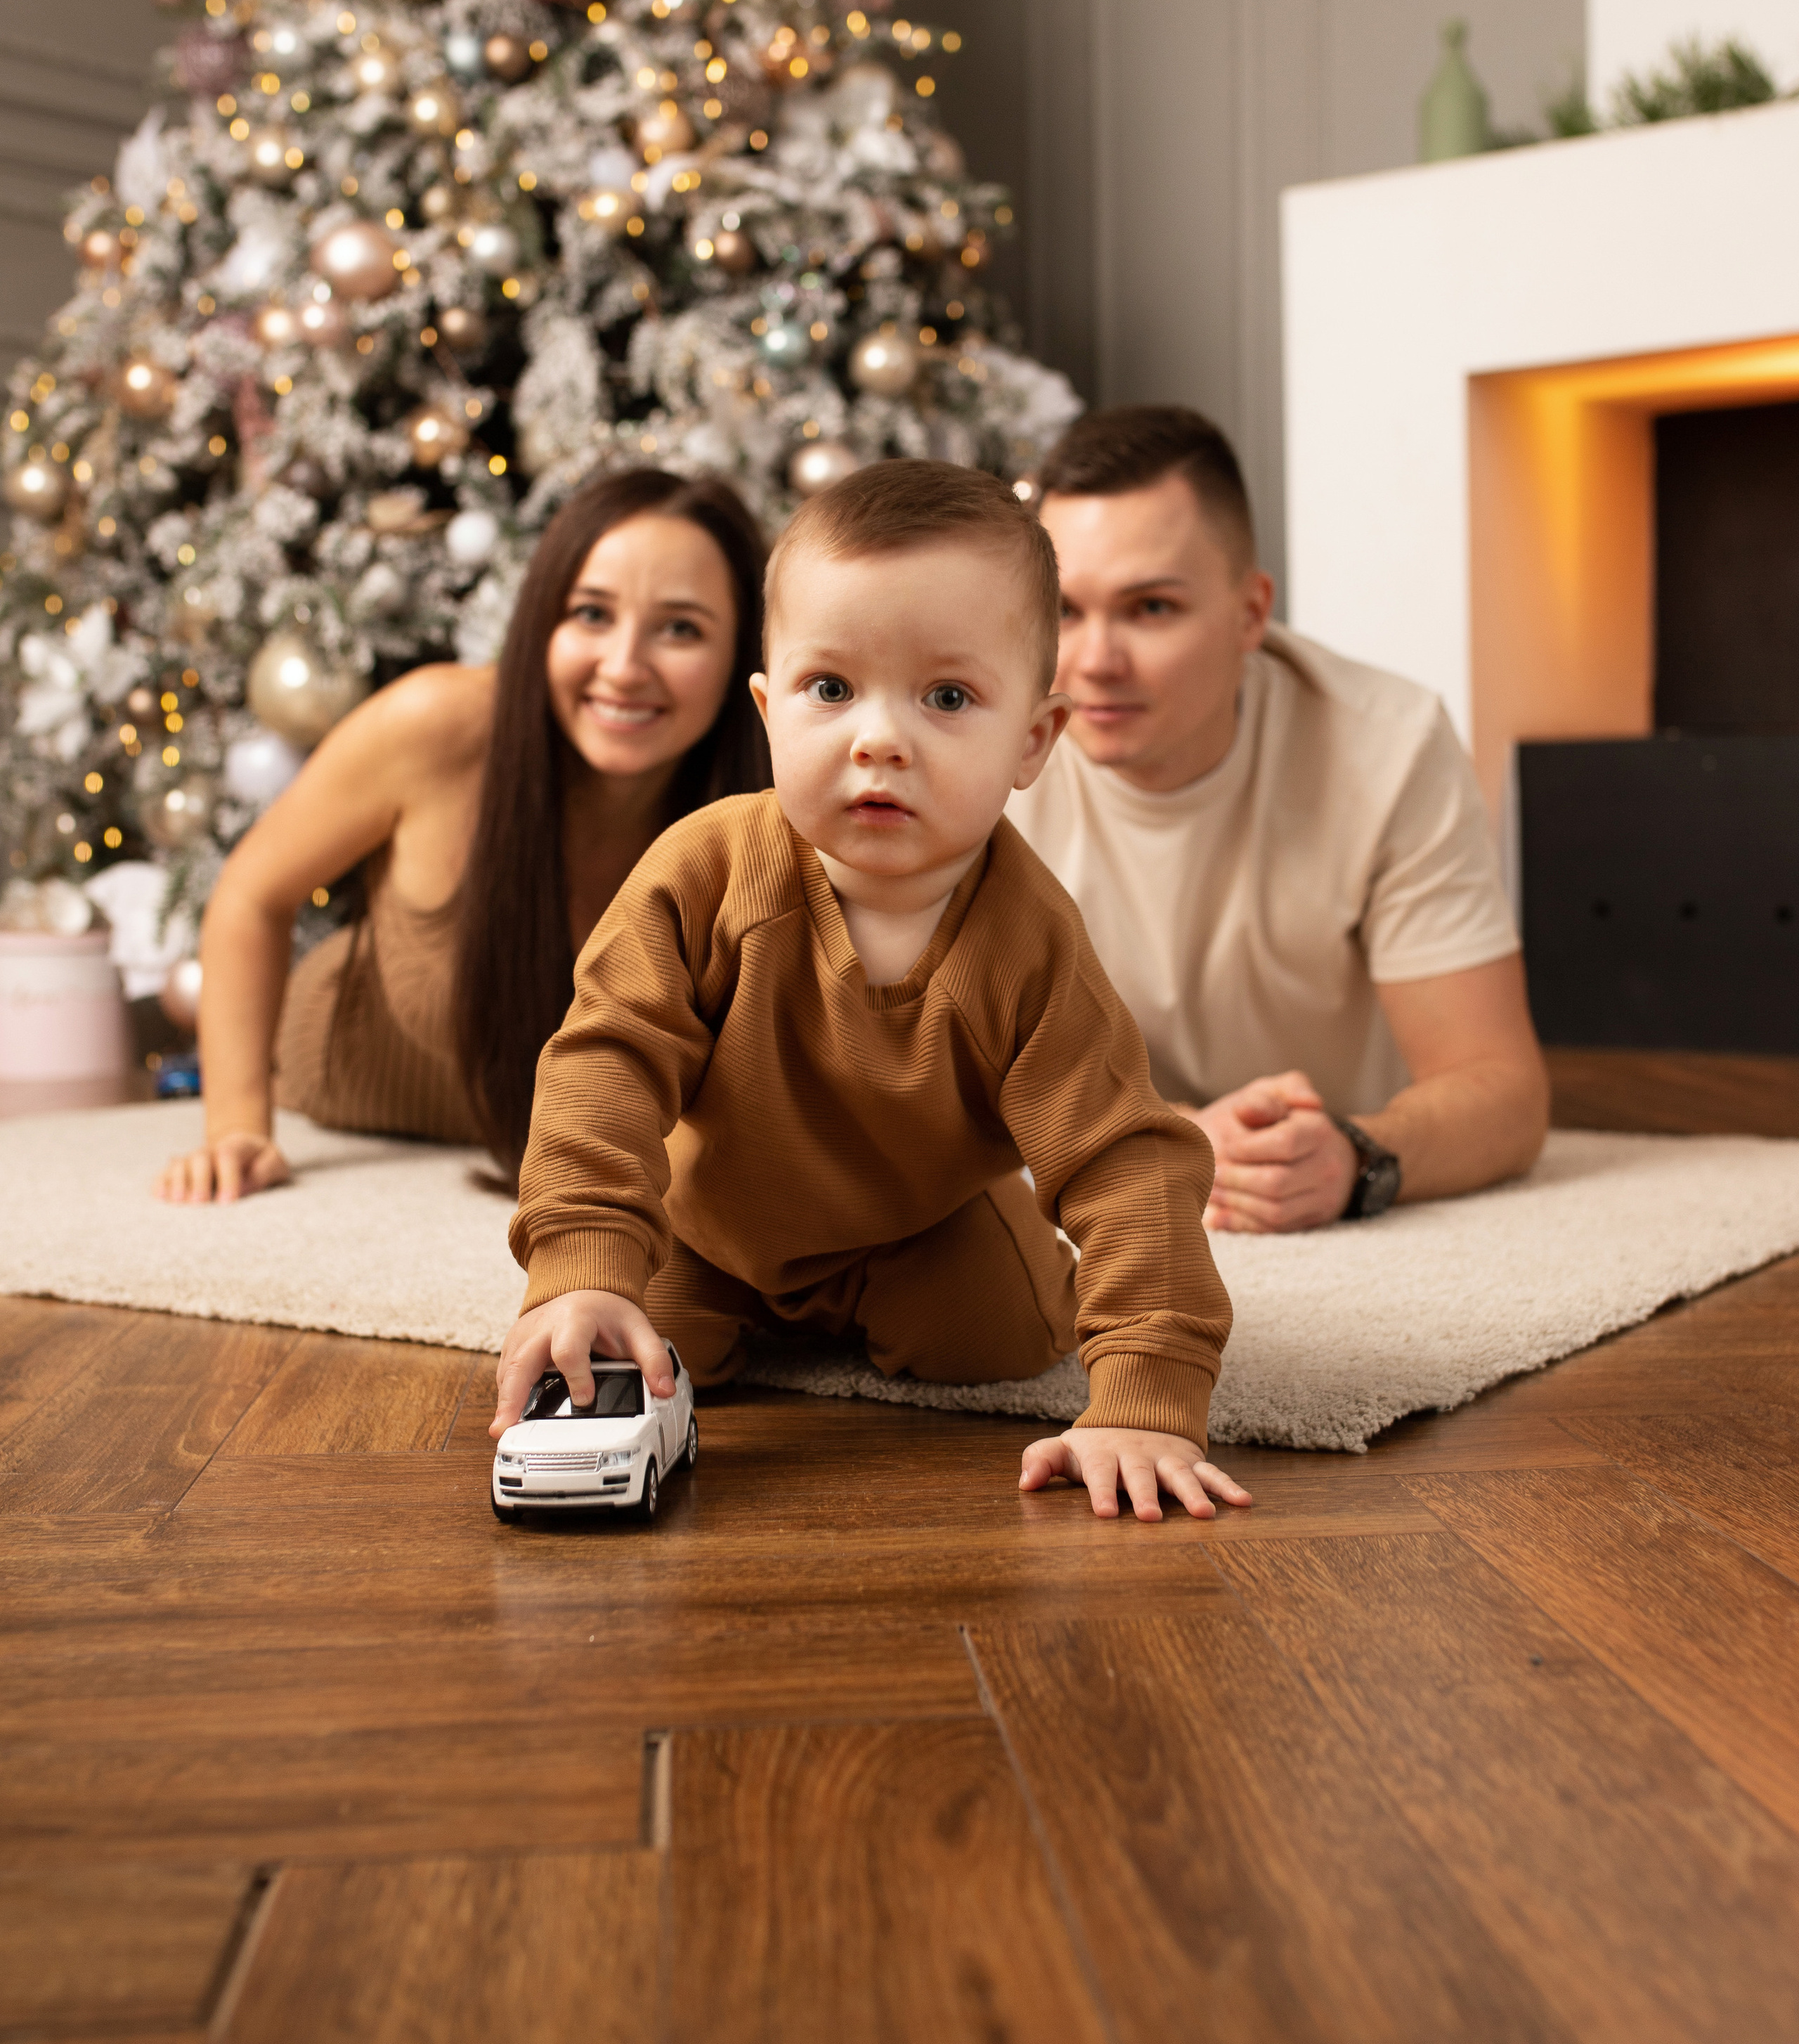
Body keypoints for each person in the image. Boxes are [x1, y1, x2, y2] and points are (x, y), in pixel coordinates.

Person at [491, 459, 1249, 1525]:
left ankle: (972, 1269)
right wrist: (581, 1260)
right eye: (830, 690)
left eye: (947, 697)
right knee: (631, 1345)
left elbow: (1127, 1157)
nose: (877, 738)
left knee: (987, 1341)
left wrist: (1147, 1398)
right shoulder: (705, 872)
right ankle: (680, 1294)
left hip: (922, 1224)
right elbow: (605, 1058)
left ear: (1033, 741)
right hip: (718, 1230)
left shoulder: (1028, 942)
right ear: (769, 712)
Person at [157, 468, 770, 1203]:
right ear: (542, 618)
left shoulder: (769, 808)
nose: (624, 666)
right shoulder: (437, 723)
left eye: (681, 627)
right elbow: (253, 892)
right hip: (344, 1066)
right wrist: (236, 1127)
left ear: (742, 656)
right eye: (591, 614)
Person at [1008, 405, 1548, 1234]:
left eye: (1150, 607)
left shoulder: (1389, 745)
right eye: (1066, 610)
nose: (1094, 661)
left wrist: (1355, 1153)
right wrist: (1177, 1136)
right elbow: (928, 1082)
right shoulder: (987, 747)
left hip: (1329, 1153)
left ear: (1251, 613)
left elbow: (1502, 1090)